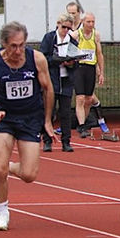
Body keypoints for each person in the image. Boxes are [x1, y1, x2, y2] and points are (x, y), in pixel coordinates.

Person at [0, 21, 55, 231]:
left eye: (21, 45)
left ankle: (8, 168)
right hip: (5, 119)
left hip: (31, 118)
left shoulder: (36, 59)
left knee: (30, 175)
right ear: (4, 44)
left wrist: (47, 121)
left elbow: (48, 90)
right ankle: (2, 211)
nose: (18, 50)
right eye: (13, 46)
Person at [38, 13, 78, 152]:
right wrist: (56, 60)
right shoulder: (49, 38)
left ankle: (66, 141)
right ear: (58, 24)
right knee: (48, 110)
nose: (66, 30)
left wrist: (71, 63)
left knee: (65, 112)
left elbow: (76, 62)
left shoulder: (72, 41)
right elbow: (42, 57)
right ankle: (47, 140)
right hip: (51, 79)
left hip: (66, 80)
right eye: (64, 27)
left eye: (69, 28)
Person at [74, 12, 105, 138]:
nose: (91, 24)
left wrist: (101, 72)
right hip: (79, 67)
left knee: (88, 99)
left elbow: (99, 53)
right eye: (88, 22)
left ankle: (83, 123)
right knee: (80, 98)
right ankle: (81, 125)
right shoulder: (76, 34)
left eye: (93, 22)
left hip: (91, 68)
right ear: (83, 22)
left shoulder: (95, 35)